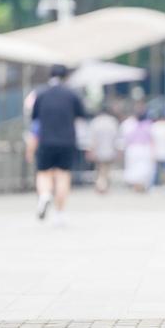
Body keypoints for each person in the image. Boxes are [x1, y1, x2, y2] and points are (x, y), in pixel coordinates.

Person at [32, 64, 85, 224]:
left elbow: (35, 122)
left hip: (46, 140)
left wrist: (32, 144)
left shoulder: (41, 94)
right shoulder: (72, 94)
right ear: (66, 76)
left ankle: (44, 195)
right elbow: (80, 118)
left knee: (43, 173)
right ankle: (59, 213)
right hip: (66, 141)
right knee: (63, 176)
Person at [88, 107, 120, 193]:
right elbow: (116, 138)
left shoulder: (95, 122)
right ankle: (104, 186)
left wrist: (91, 150)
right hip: (110, 149)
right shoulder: (113, 122)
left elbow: (92, 138)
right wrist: (117, 151)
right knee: (107, 170)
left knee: (99, 170)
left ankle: (100, 186)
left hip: (98, 150)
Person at [122, 112, 154, 192]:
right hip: (143, 149)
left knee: (136, 169)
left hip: (134, 149)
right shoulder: (148, 125)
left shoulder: (130, 125)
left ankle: (138, 186)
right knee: (142, 169)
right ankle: (139, 186)